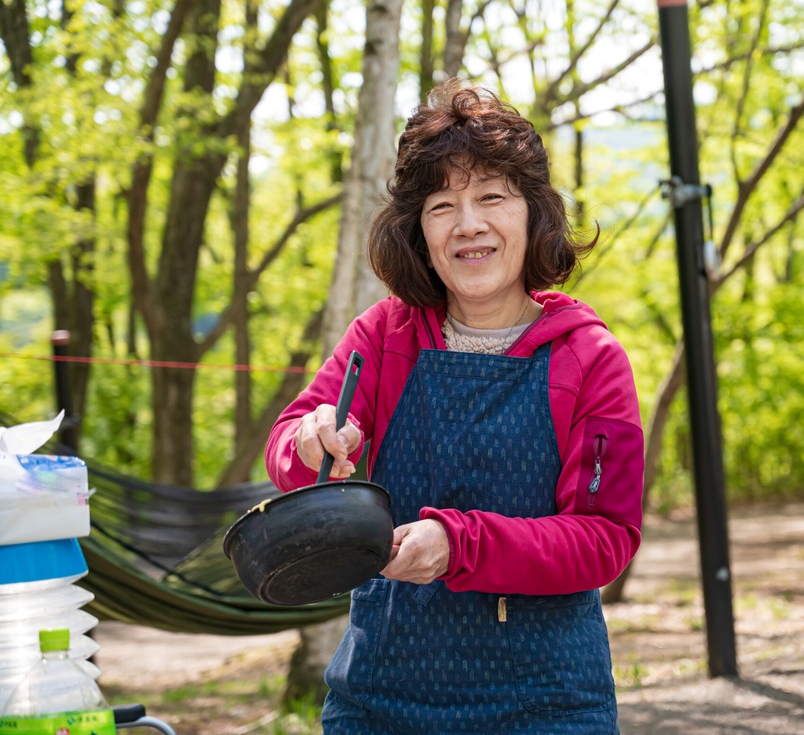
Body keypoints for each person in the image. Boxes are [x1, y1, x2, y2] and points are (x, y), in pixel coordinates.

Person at [264, 78, 645, 734]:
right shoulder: (384, 334)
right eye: (442, 205)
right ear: (419, 231)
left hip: (546, 707)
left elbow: (605, 539)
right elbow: (289, 455)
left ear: (534, 214)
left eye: (491, 197)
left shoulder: (589, 356)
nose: (469, 224)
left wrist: (459, 545)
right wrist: (308, 443)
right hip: (379, 703)